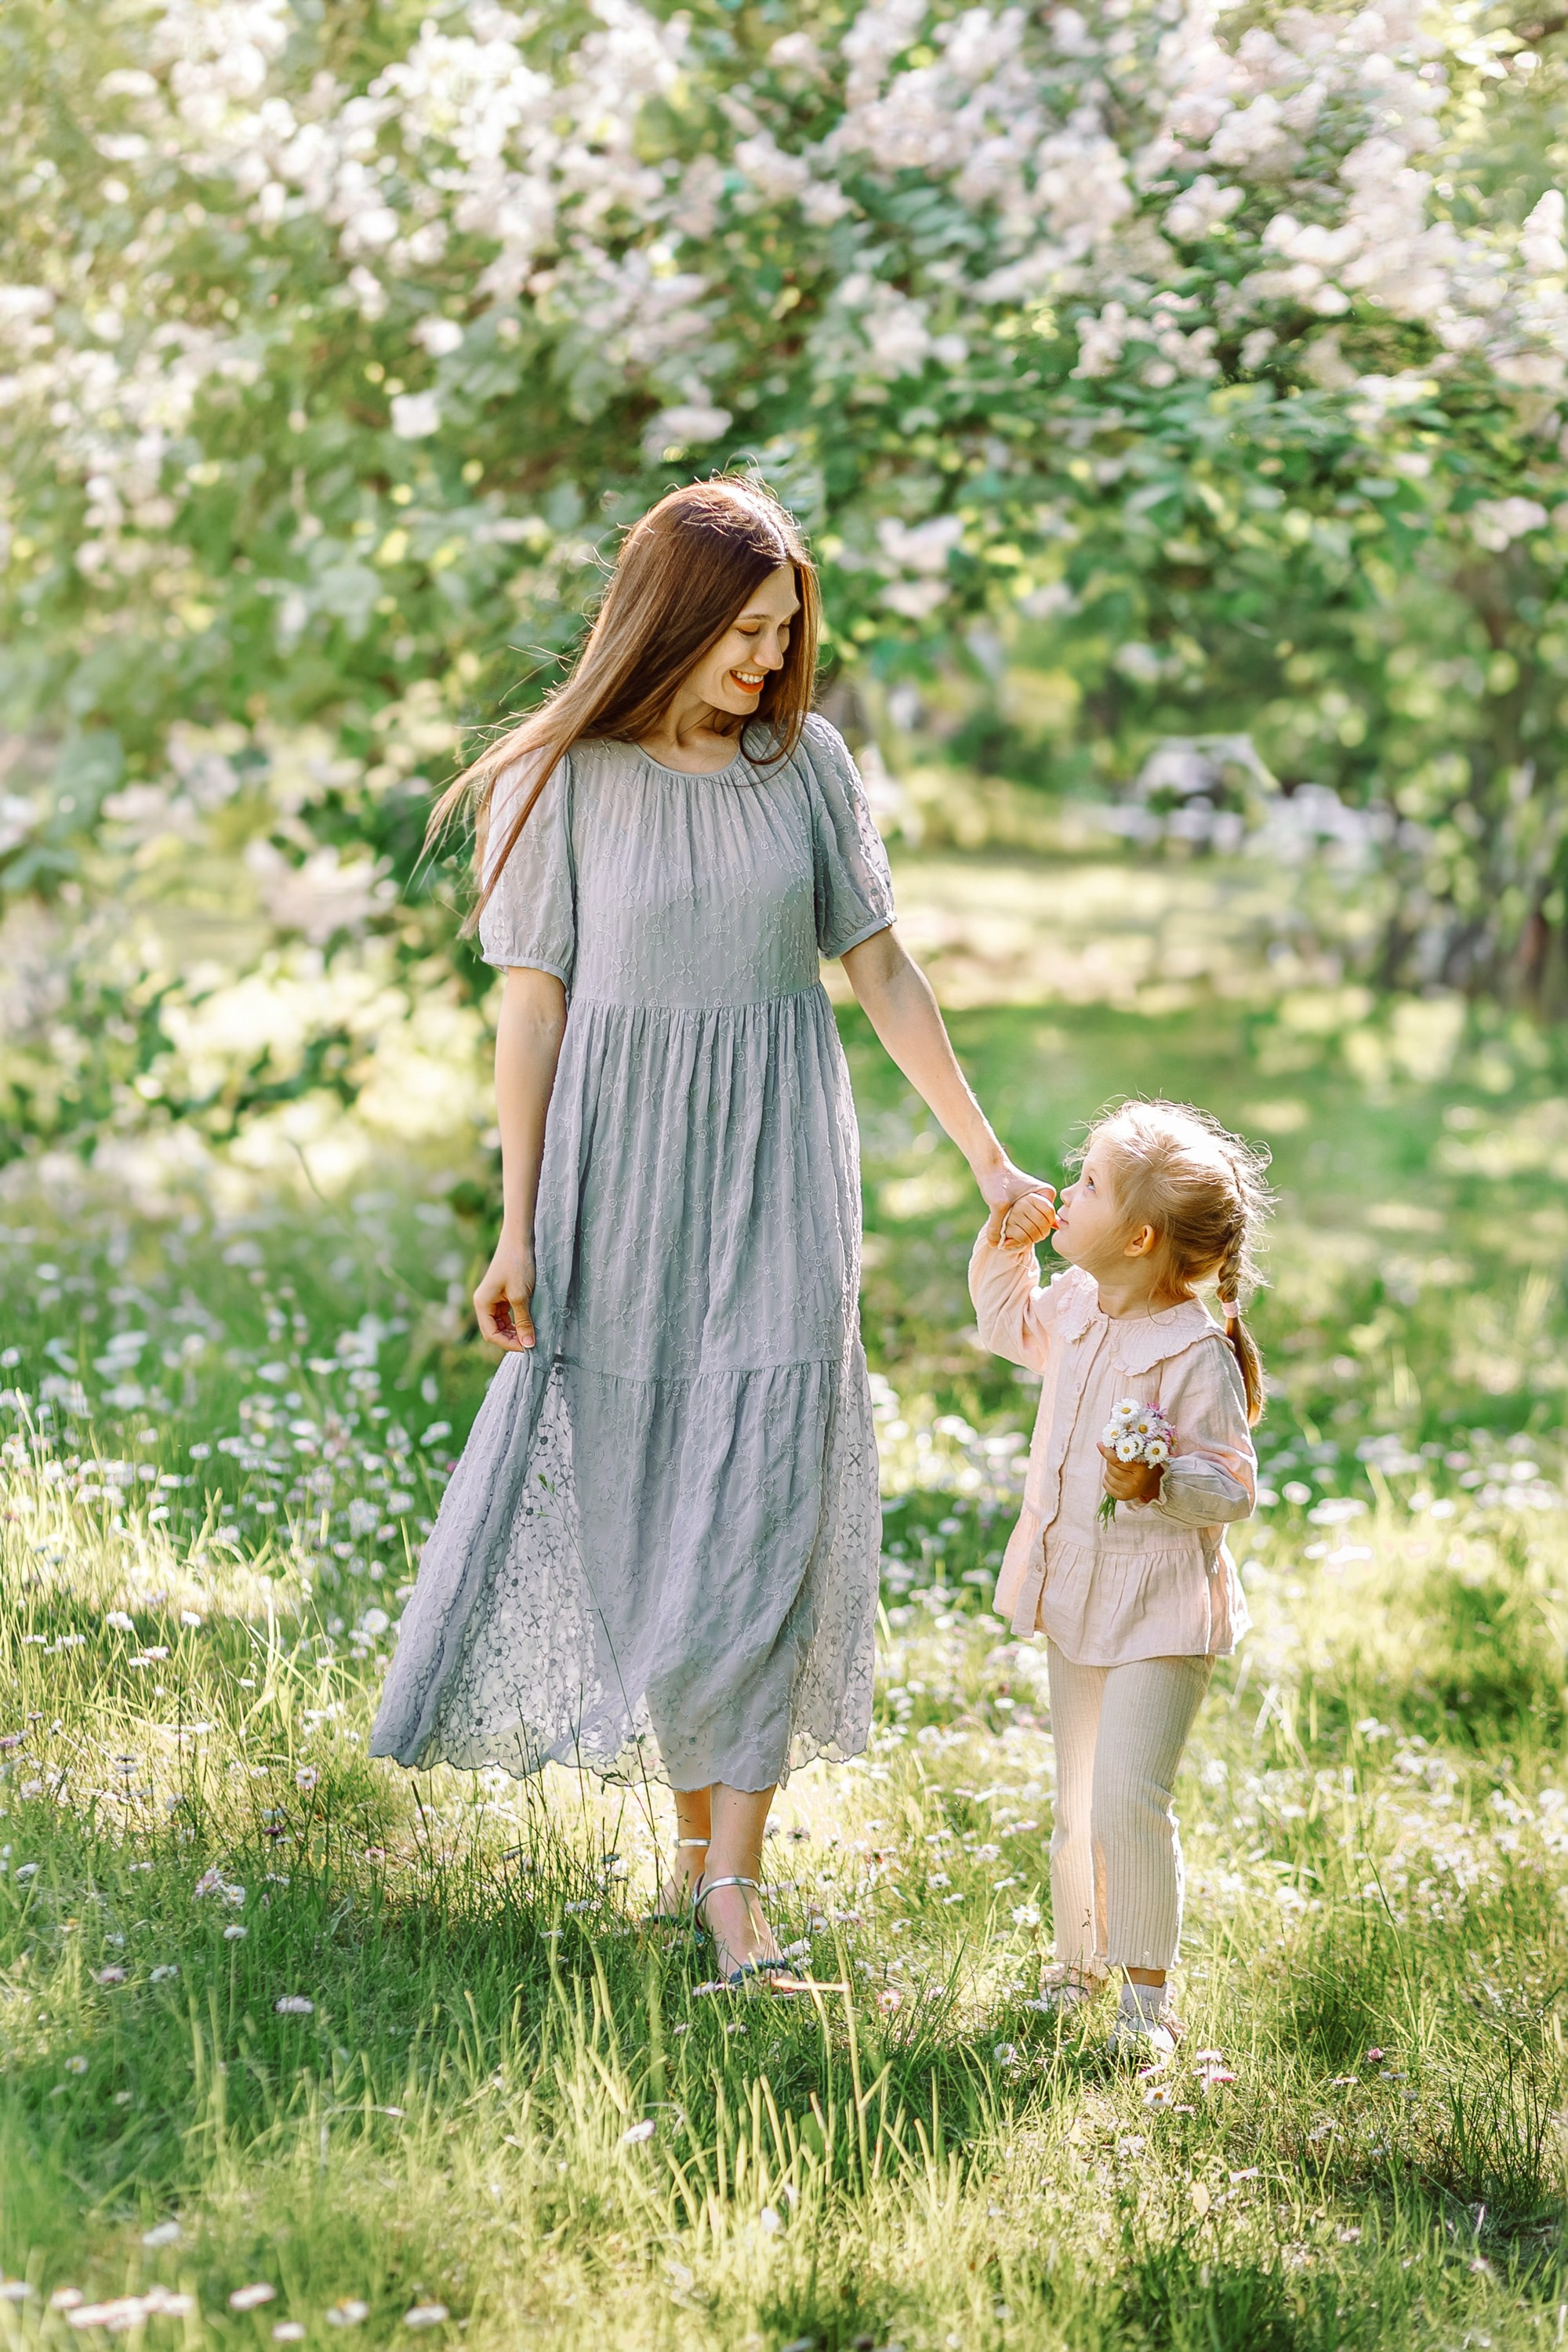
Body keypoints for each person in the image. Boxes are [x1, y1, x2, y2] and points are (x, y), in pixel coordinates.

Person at [370, 477, 1046, 1991]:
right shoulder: (562, 781)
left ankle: (733, 1890)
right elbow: (531, 1014)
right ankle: (697, 1861)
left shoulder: (802, 763)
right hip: (620, 1181)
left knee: (765, 1505)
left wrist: (991, 1162)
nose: (768, 662)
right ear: (674, 617)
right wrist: (517, 1226)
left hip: (780, 1171)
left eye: (785, 634)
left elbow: (881, 969)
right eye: (747, 632)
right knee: (647, 1510)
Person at [968, 1099, 1270, 2055]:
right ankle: (1076, 1962)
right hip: (1078, 1588)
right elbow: (1003, 1323)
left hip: (1160, 1606)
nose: (1069, 1186)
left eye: (1087, 1182)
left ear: (1136, 1238)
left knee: (1126, 1796)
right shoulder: (1073, 1307)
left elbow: (1229, 1489)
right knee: (1074, 1795)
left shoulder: (1189, 1350)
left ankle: (1145, 2003)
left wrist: (1157, 1480)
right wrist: (1005, 1243)